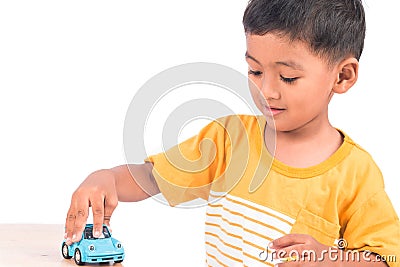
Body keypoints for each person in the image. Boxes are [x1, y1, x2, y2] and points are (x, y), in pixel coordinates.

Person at [64, 0, 400, 266]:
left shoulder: (356, 173)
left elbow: (386, 258)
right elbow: (155, 178)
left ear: (343, 76)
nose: (266, 90)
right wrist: (107, 177)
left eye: (287, 78)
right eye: (255, 70)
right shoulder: (229, 138)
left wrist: (330, 259)